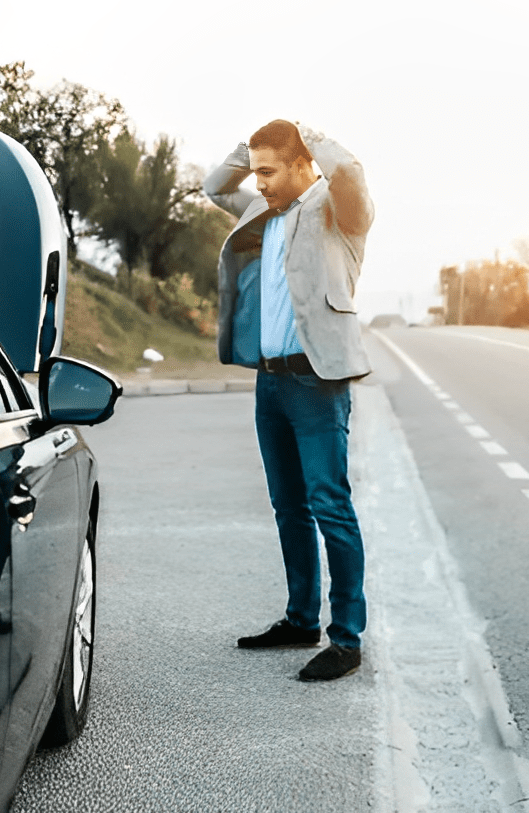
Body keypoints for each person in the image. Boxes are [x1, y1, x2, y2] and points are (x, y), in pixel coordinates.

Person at [203, 120, 375, 682]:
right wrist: (252, 144)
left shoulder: (337, 208)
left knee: (330, 504)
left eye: (270, 171)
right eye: (256, 172)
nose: (260, 182)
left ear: (303, 164)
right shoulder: (262, 211)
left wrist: (307, 131)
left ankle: (346, 639)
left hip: (317, 380)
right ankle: (301, 618)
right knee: (288, 506)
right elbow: (213, 186)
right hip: (271, 380)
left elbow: (347, 170)